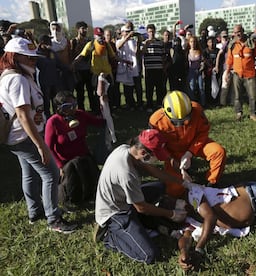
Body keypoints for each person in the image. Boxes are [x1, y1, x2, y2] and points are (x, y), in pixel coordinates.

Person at [0, 37, 77, 233]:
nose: (34, 61)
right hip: (24, 136)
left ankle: (35, 212)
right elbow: (23, 115)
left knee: (30, 174)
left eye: (34, 58)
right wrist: (41, 145)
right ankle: (54, 219)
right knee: (50, 173)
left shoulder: (13, 75)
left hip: (18, 136)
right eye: (29, 58)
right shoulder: (17, 79)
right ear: (15, 57)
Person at [94, 129, 189, 264]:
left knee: (160, 187)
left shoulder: (126, 149)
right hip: (116, 213)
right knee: (149, 255)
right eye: (155, 156)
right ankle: (111, 237)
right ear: (143, 153)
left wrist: (182, 182)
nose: (156, 160)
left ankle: (142, 222)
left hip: (124, 198)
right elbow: (141, 207)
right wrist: (171, 214)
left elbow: (152, 170)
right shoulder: (126, 174)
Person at [149, 91, 226, 197]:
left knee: (218, 152)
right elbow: (158, 148)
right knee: (174, 190)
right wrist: (175, 164)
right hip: (172, 153)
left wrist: (189, 153)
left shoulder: (197, 110)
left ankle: (211, 183)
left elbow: (203, 132)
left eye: (186, 119)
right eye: (176, 122)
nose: (181, 124)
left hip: (195, 144)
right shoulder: (156, 121)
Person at [44, 91, 105, 204]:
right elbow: (49, 148)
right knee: (72, 188)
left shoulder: (80, 114)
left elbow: (98, 122)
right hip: (66, 162)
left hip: (84, 156)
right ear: (58, 108)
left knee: (93, 181)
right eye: (67, 106)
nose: (72, 109)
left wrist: (105, 107)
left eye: (74, 105)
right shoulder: (53, 122)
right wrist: (59, 166)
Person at [225, 24, 256, 122]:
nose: (237, 34)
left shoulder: (251, 43)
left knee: (252, 96)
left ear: (242, 31)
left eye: (238, 32)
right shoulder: (232, 45)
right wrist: (227, 72)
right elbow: (230, 60)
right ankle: (239, 113)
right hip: (237, 74)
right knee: (237, 96)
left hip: (250, 75)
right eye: (235, 32)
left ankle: (253, 114)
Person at [142, 23, 166, 112]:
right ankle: (149, 105)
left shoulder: (159, 42)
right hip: (149, 69)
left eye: (152, 31)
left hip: (158, 68)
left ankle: (159, 104)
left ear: (155, 32)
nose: (151, 33)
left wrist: (163, 67)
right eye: (149, 32)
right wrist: (146, 44)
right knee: (149, 88)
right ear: (147, 32)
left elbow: (163, 55)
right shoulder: (144, 42)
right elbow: (142, 53)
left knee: (159, 88)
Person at [186, 36, 206, 106]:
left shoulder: (199, 51)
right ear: (189, 43)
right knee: (192, 87)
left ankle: (203, 103)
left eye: (194, 42)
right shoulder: (187, 52)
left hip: (199, 70)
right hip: (191, 71)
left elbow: (203, 60)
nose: (193, 43)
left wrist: (202, 66)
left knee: (201, 87)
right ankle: (192, 103)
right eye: (191, 42)